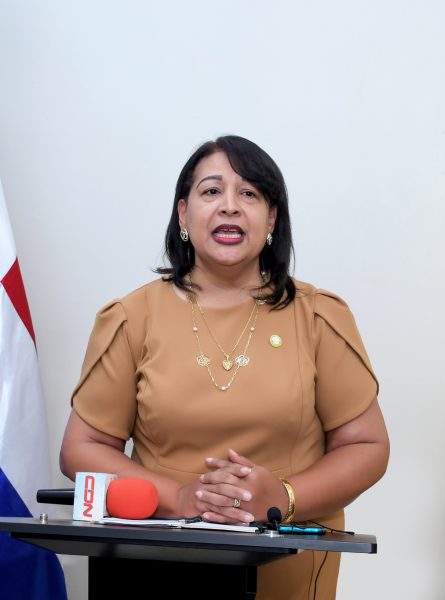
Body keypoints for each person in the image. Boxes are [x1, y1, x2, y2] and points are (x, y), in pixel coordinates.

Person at [60, 134, 389, 599]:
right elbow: (82, 448)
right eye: (211, 191)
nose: (229, 206)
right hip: (157, 558)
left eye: (249, 193)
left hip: (289, 562)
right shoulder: (133, 318)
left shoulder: (318, 316)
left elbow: (367, 445)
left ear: (271, 218)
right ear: (183, 215)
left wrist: (282, 499)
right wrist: (178, 499)